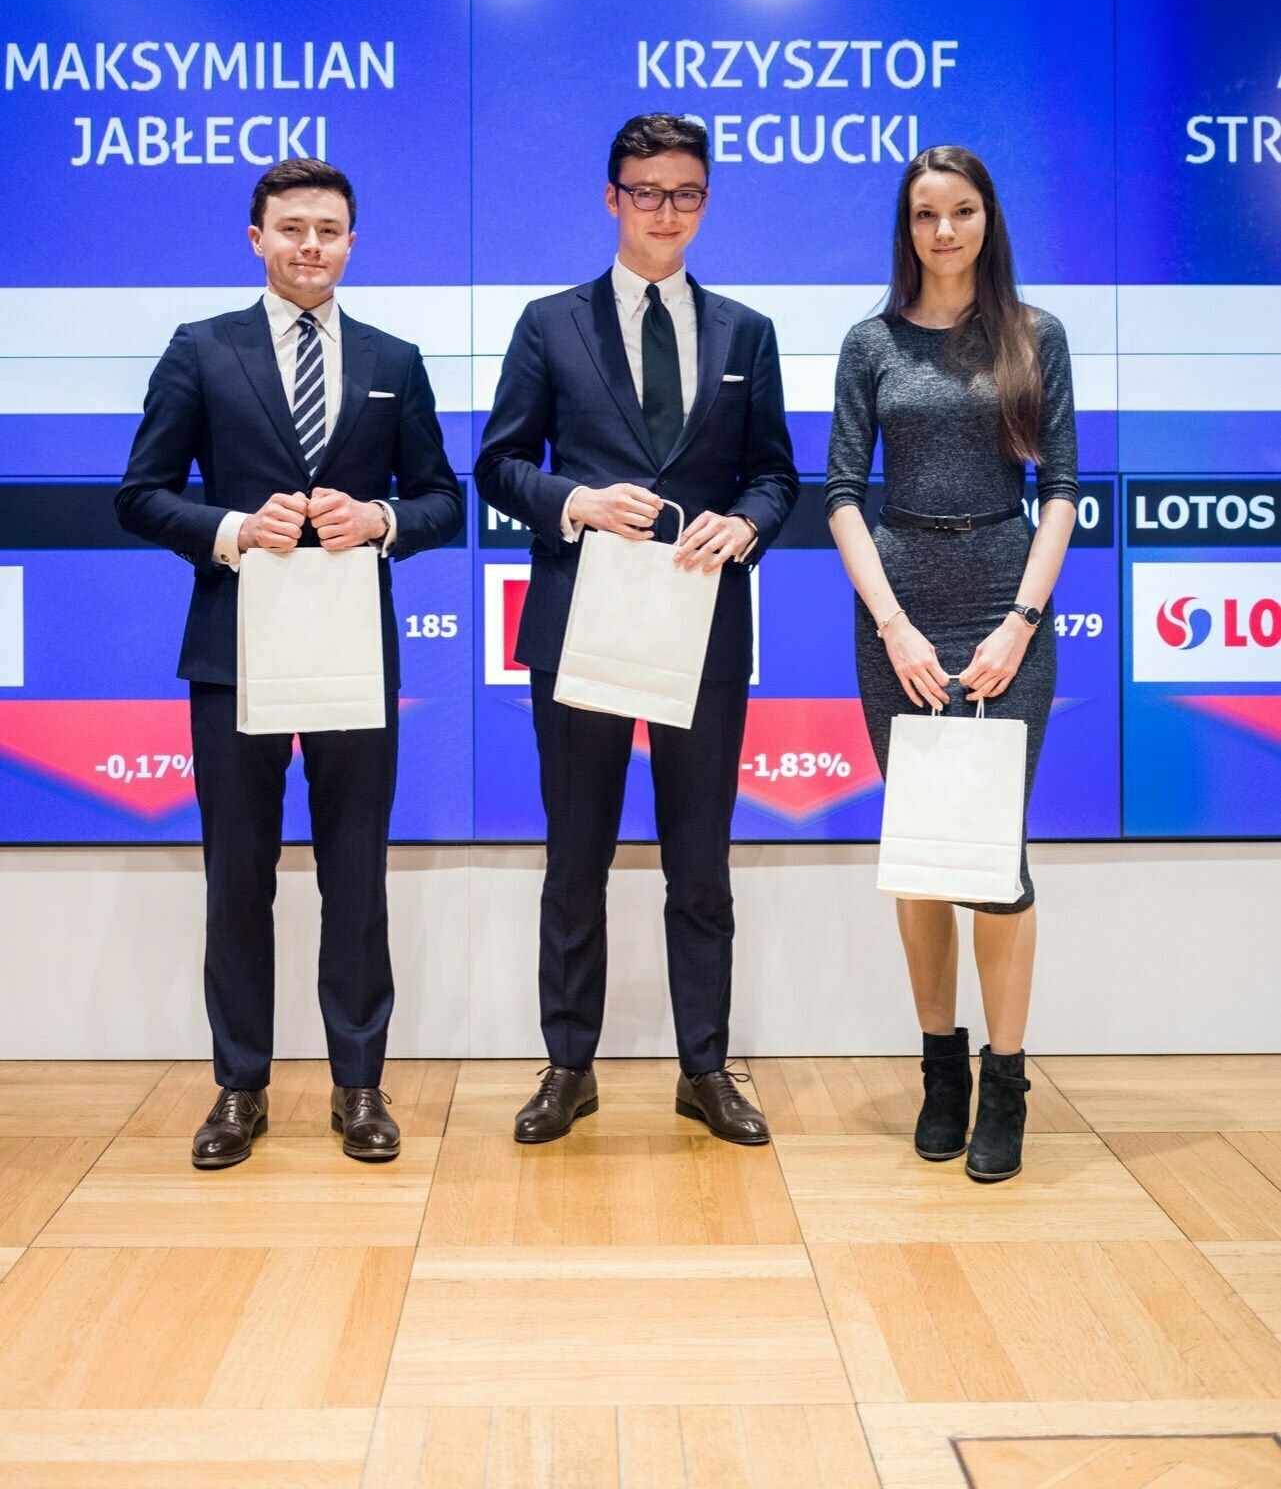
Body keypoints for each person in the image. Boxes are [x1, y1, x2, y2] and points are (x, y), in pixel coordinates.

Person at [116, 157, 463, 1169]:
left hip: (352, 650)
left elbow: (444, 498)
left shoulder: (395, 355)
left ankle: (359, 1087)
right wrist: (230, 527)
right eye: (292, 228)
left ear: (353, 243)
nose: (312, 245)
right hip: (235, 653)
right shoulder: (201, 350)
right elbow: (139, 493)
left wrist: (384, 518)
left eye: (330, 229)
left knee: (356, 875)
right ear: (256, 238)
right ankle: (239, 1087)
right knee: (239, 877)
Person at [475, 112, 799, 1145]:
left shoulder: (746, 331)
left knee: (699, 863)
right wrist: (575, 502)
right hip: (582, 624)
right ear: (612, 198)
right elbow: (498, 463)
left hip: (701, 628)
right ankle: (569, 1066)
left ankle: (704, 1067)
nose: (667, 211)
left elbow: (777, 475)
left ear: (706, 202)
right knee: (576, 858)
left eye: (687, 193)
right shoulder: (549, 322)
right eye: (647, 191)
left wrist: (747, 522)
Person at [826, 146, 1078, 1182]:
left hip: (1003, 604)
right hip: (901, 611)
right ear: (906, 225)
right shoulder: (870, 340)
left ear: (988, 220)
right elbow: (840, 491)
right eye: (926, 214)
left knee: (996, 858)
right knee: (925, 850)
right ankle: (942, 1070)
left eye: (962, 211)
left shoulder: (1035, 335)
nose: (944, 232)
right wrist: (890, 622)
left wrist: (1023, 617)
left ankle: (1007, 1081)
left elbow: (1060, 487)